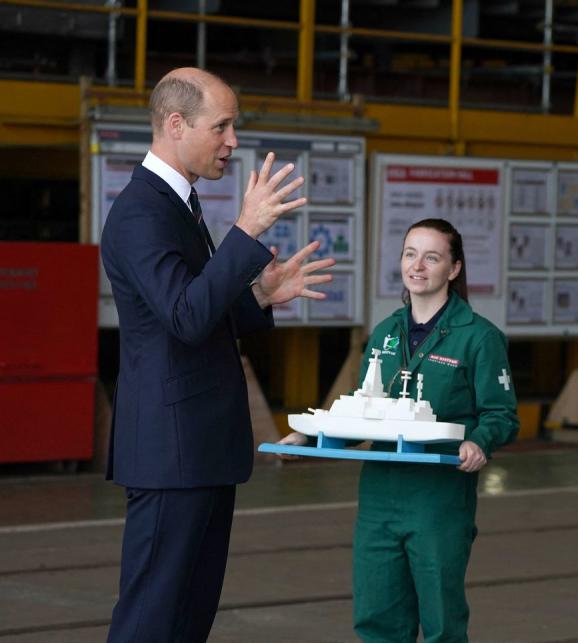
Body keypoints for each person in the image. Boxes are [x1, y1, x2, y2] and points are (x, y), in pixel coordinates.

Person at [100, 67, 335, 642]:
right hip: (170, 453)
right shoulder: (140, 213)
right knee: (151, 620)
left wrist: (255, 292)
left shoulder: (179, 205)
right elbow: (183, 319)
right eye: (222, 126)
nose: (233, 141)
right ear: (176, 125)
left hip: (196, 449)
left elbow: (194, 306)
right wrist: (246, 231)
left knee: (186, 619)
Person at [282, 218, 518, 642]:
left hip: (438, 497)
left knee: (442, 623)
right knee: (377, 617)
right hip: (379, 495)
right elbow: (365, 411)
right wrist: (310, 438)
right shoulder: (384, 334)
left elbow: (501, 415)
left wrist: (478, 442)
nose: (418, 266)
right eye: (411, 254)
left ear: (455, 268)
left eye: (432, 257)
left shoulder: (479, 338)